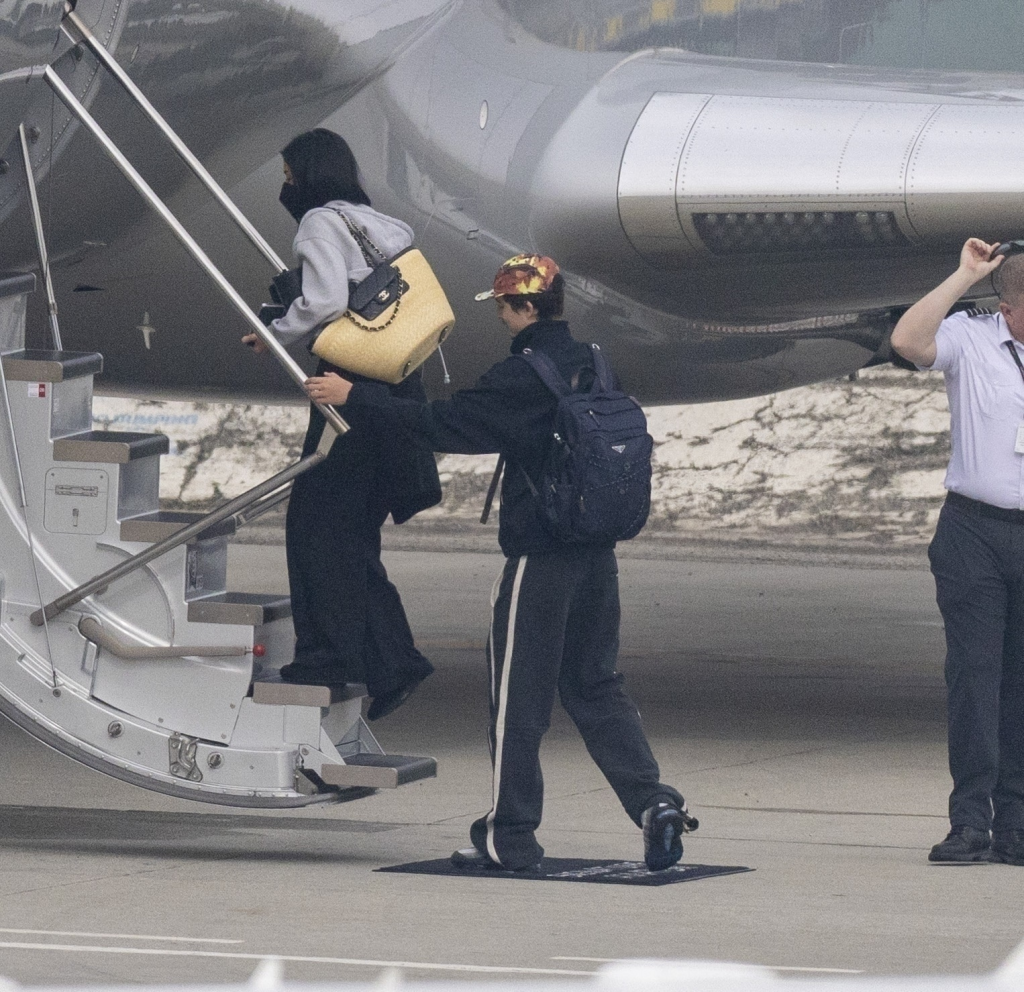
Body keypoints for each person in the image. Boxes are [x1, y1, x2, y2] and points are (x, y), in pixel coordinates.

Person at [301, 253, 695, 872]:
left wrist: (358, 397)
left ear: (527, 308)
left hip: (541, 558)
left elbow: (443, 423)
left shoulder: (523, 375)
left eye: (507, 308)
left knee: (518, 702)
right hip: (597, 554)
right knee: (596, 686)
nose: (504, 319)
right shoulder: (593, 361)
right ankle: (653, 803)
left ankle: (509, 835)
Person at [242, 128, 439, 722]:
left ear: (308, 174)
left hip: (347, 387)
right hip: (395, 383)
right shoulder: (385, 226)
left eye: (287, 174)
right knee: (349, 532)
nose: (285, 185)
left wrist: (277, 334)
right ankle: (361, 659)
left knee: (314, 525)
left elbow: (326, 302)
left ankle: (353, 659)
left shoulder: (320, 224)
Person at [891, 236, 1024, 865]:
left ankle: (1018, 824)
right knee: (974, 680)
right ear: (1010, 305)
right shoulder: (972, 339)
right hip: (975, 532)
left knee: (1020, 685)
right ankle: (970, 821)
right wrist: (963, 275)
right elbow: (907, 343)